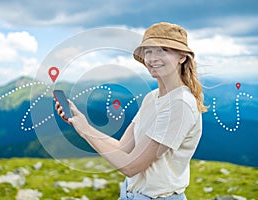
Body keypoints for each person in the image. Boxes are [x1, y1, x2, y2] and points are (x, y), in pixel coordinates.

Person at [56, 22, 208, 200]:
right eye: (149, 51)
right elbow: (123, 148)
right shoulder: (152, 98)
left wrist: (85, 131)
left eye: (163, 50)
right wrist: (83, 123)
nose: (152, 58)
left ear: (182, 57)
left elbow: (131, 166)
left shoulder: (180, 105)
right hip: (130, 194)